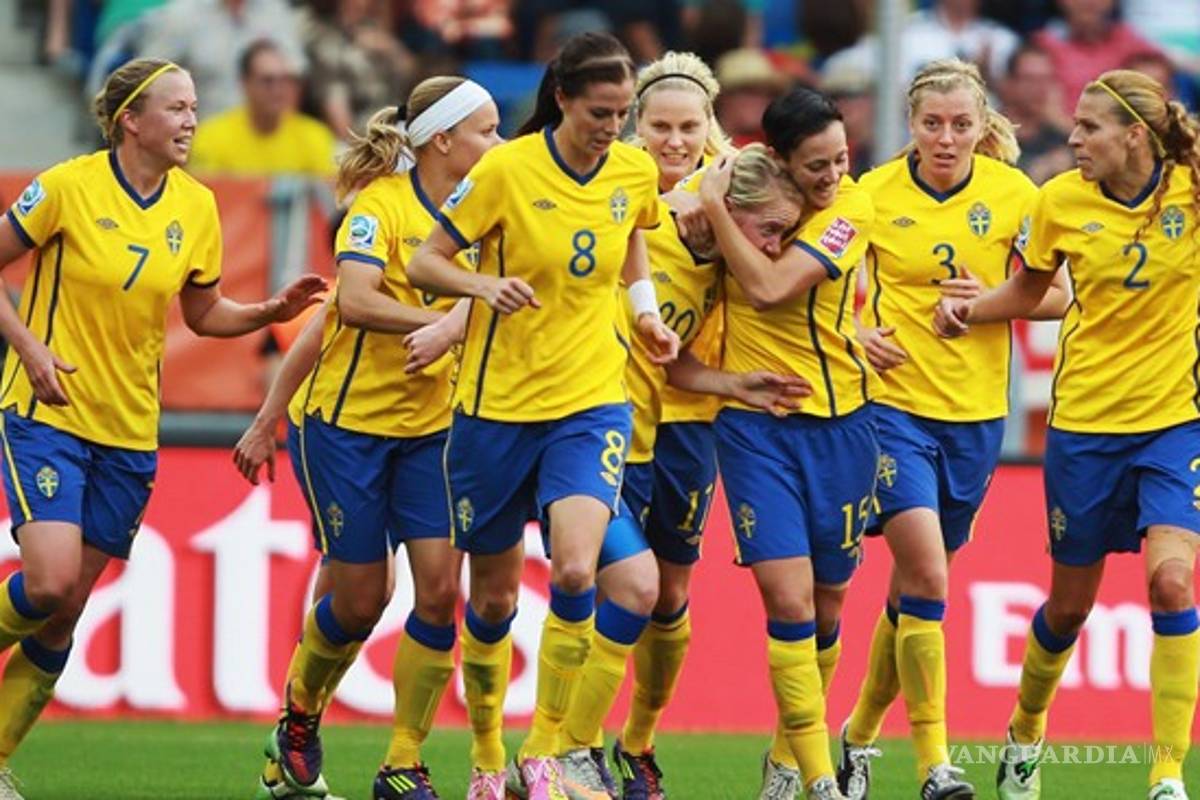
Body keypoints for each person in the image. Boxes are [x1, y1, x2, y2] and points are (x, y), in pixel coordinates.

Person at [0, 57, 324, 798]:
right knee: (47, 582)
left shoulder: (196, 206)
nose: (190, 121)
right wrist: (28, 346)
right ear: (130, 122)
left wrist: (268, 313)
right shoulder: (68, 188)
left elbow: (203, 314)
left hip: (128, 430)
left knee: (66, 611)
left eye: (194, 107)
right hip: (46, 413)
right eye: (176, 108)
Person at [406, 31, 679, 800]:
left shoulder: (632, 169)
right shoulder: (506, 171)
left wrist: (647, 314)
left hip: (591, 401)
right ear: (561, 98)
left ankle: (549, 750)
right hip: (496, 410)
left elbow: (631, 246)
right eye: (601, 112)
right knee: (492, 599)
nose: (614, 129)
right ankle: (489, 757)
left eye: (624, 113)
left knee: (573, 567)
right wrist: (482, 289)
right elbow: (428, 260)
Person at [934, 69, 1200, 800]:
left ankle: (1168, 774)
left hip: (1176, 421)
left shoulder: (1192, 190)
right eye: (1076, 127)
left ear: (1135, 137)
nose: (1073, 139)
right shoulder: (1059, 202)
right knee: (1069, 607)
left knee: (1173, 584)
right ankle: (1025, 730)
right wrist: (971, 311)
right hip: (1084, 425)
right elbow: (1029, 290)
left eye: (1089, 129)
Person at [234, 78, 501, 800]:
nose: (498, 144)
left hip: (435, 433)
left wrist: (460, 322)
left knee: (442, 592)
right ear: (441, 140)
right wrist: (269, 418)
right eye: (485, 130)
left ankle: (404, 763)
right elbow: (345, 304)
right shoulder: (379, 207)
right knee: (359, 601)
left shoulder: (489, 211)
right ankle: (299, 716)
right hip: (347, 430)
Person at [840, 58, 1067, 800]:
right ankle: (936, 764)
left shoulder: (1012, 193)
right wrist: (854, 332)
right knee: (929, 574)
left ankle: (858, 737)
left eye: (960, 124)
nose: (945, 138)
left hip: (975, 418)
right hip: (892, 409)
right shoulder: (870, 194)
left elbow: (1058, 294)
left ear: (980, 127)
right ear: (910, 124)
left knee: (915, 589)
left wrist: (991, 299)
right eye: (932, 124)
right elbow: (820, 287)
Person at [684, 86, 879, 800]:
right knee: (789, 603)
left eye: (841, 160)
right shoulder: (747, 207)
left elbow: (767, 288)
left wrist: (715, 212)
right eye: (817, 166)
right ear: (779, 161)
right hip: (757, 430)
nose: (832, 177)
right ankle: (822, 778)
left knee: (829, 607)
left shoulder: (850, 210)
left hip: (845, 426)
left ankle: (786, 757)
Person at [189, 38, 336, 178]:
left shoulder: (314, 135)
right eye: (267, 81)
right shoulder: (211, 137)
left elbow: (327, 196)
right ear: (245, 84)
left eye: (285, 80)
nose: (278, 90)